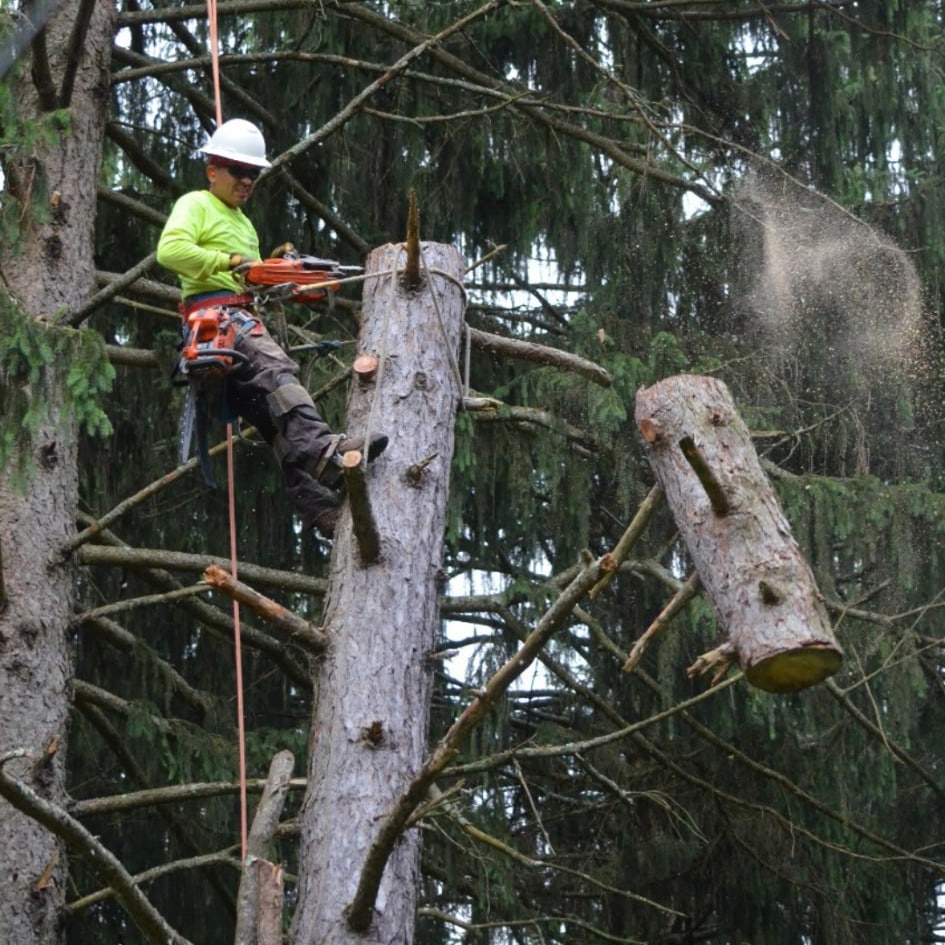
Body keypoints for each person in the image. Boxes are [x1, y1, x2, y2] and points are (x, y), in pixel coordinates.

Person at [156, 118, 386, 537]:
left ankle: (320, 508)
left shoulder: (243, 224)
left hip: (238, 318)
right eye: (238, 171)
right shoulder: (196, 204)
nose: (247, 180)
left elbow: (248, 278)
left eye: (253, 173)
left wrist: (284, 280)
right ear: (213, 170)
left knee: (275, 423)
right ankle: (325, 452)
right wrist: (227, 263)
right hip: (219, 319)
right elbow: (169, 251)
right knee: (277, 373)